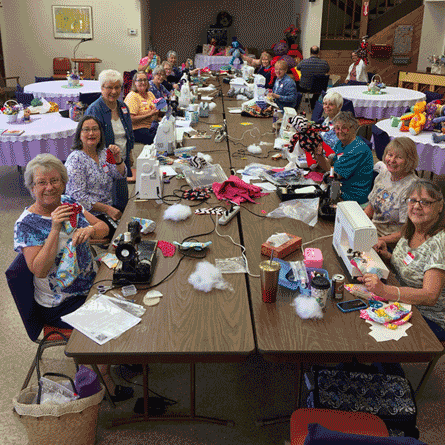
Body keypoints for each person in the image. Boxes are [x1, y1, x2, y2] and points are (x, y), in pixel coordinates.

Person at [14, 154, 108, 326]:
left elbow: (104, 229)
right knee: (114, 322)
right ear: (32, 188)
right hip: (61, 304)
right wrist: (55, 228)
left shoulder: (68, 202)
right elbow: (40, 270)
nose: (49, 187)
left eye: (55, 180)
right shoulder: (26, 224)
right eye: (42, 182)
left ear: (64, 183)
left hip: (90, 286)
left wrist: (90, 229)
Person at [360, 180, 445, 341]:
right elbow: (414, 266)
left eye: (425, 202)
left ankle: (383, 365)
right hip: (402, 299)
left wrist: (384, 291)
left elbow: (430, 296)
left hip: (427, 317)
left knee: (367, 331)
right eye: (412, 200)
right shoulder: (413, 228)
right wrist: (388, 256)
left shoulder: (439, 243)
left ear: (440, 207)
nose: (416, 206)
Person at [65, 116, 127, 238]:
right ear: (79, 135)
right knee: (124, 237)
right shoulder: (76, 159)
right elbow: (77, 197)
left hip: (107, 210)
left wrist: (118, 159)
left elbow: (119, 175)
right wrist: (107, 209)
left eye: (95, 129)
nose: (91, 133)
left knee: (134, 226)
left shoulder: (105, 153)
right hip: (88, 215)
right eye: (86, 130)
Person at [86, 69, 134, 212]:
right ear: (102, 88)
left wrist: (130, 153)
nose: (114, 91)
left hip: (121, 159)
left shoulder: (123, 106)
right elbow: (90, 141)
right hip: (104, 162)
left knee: (122, 197)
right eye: (109, 87)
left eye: (117, 87)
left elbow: (129, 132)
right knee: (107, 199)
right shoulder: (94, 110)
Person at [364, 137, 419, 244]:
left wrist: (376, 241)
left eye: (399, 157)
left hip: (390, 243)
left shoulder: (412, 189)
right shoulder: (384, 175)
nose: (392, 160)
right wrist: (359, 225)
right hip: (373, 232)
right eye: (390, 155)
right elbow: (371, 207)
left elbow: (406, 232)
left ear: (409, 161)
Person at [313, 111, 373, 205]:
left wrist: (320, 159)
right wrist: (319, 155)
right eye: (337, 128)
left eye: (344, 128)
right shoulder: (341, 143)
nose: (340, 131)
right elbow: (328, 165)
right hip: (340, 187)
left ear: (353, 128)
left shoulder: (357, 149)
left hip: (352, 196)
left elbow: (333, 175)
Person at [124, 71, 159, 145]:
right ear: (134, 83)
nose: (143, 82)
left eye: (145, 80)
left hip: (151, 126)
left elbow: (157, 110)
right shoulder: (132, 96)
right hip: (137, 129)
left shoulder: (150, 94)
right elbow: (130, 119)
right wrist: (149, 114)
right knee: (158, 137)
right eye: (140, 80)